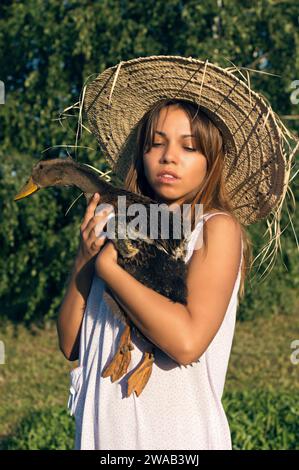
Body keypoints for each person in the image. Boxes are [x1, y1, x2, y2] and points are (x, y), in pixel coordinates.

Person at [56, 56, 298, 450]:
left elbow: (186, 342)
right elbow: (72, 345)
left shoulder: (215, 229)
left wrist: (110, 270)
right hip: (105, 438)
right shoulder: (118, 223)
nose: (169, 157)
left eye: (189, 147)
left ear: (212, 160)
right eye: (156, 144)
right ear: (141, 153)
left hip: (174, 439)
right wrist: (84, 260)